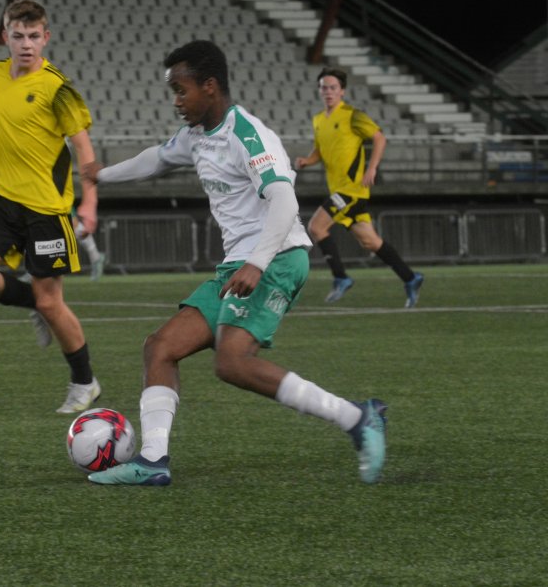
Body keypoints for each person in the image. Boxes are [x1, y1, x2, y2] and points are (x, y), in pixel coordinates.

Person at [85, 40, 387, 487]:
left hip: (277, 257)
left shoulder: (248, 135)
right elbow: (157, 158)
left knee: (232, 362)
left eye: (181, 90)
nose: (176, 101)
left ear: (209, 86)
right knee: (160, 347)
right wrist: (102, 174)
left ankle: (357, 418)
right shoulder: (195, 136)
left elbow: (284, 201)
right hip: (239, 265)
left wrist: (258, 263)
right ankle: (152, 461)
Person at [0, 0, 103, 414]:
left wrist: (90, 201)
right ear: (5, 37)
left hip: (45, 211)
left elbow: (83, 147)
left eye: (33, 36)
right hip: (0, 201)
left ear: (45, 37)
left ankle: (84, 382)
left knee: (53, 303)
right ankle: (33, 302)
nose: (26, 44)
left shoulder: (57, 88)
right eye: (18, 35)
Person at [295, 67, 424, 307]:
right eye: (324, 87)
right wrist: (307, 161)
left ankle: (341, 278)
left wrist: (372, 168)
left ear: (342, 91)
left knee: (316, 227)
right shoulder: (319, 120)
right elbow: (320, 150)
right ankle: (410, 278)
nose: (328, 92)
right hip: (339, 190)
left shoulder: (353, 115)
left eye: (333, 87)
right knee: (371, 242)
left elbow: (379, 138)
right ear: (319, 91)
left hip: (352, 190)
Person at [0, 133, 107, 281]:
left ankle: (91, 257)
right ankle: (13, 269)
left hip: (42, 185)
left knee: (68, 223)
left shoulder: (24, 129)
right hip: (12, 188)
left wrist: (89, 201)